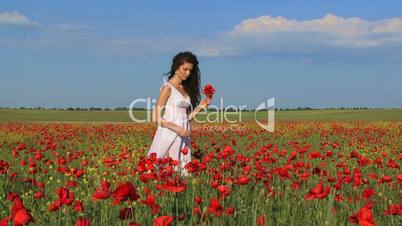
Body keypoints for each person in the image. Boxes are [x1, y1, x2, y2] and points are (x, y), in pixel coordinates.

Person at [147, 51, 212, 176]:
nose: (188, 73)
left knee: (182, 171)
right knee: (161, 169)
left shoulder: (183, 89)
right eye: (185, 69)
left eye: (190, 71)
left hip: (183, 134)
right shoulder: (167, 88)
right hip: (168, 133)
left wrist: (202, 106)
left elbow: (185, 118)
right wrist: (176, 128)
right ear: (176, 68)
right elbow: (155, 117)